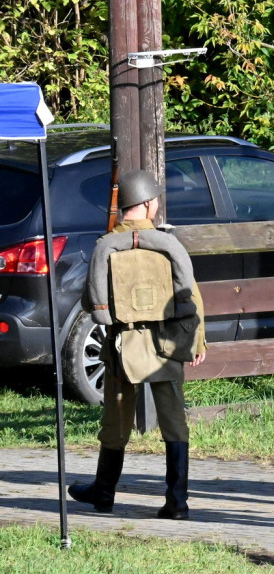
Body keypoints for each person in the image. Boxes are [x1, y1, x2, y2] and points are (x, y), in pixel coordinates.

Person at [68, 169, 207, 520]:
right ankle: (177, 502)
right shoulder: (169, 244)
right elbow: (191, 294)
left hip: (122, 346)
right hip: (167, 344)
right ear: (146, 205)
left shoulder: (106, 247)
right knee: (174, 421)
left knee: (116, 421)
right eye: (155, 200)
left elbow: (90, 302)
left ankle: (104, 492)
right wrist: (198, 340)